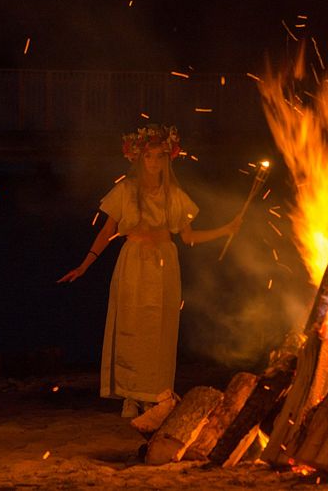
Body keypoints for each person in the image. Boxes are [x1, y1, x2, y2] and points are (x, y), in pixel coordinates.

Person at [58, 125, 242, 418]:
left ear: (167, 159)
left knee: (159, 329)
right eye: (148, 156)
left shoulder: (174, 194)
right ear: (138, 158)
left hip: (164, 262)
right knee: (130, 325)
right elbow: (107, 231)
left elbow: (188, 237)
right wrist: (84, 265)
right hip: (133, 260)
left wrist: (226, 230)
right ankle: (130, 395)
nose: (154, 162)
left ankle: (154, 395)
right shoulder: (125, 190)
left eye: (159, 156)